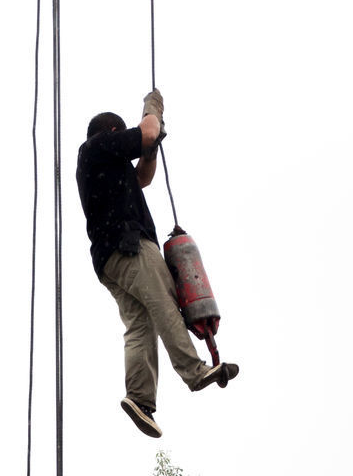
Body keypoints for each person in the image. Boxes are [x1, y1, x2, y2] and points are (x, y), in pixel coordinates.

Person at [75, 89, 239, 438]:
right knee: (163, 300)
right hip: (130, 246)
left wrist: (148, 151)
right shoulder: (95, 148)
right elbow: (147, 131)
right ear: (114, 136)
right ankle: (195, 371)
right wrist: (153, 109)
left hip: (108, 260)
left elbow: (143, 177)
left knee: (140, 326)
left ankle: (140, 399)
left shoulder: (103, 169)